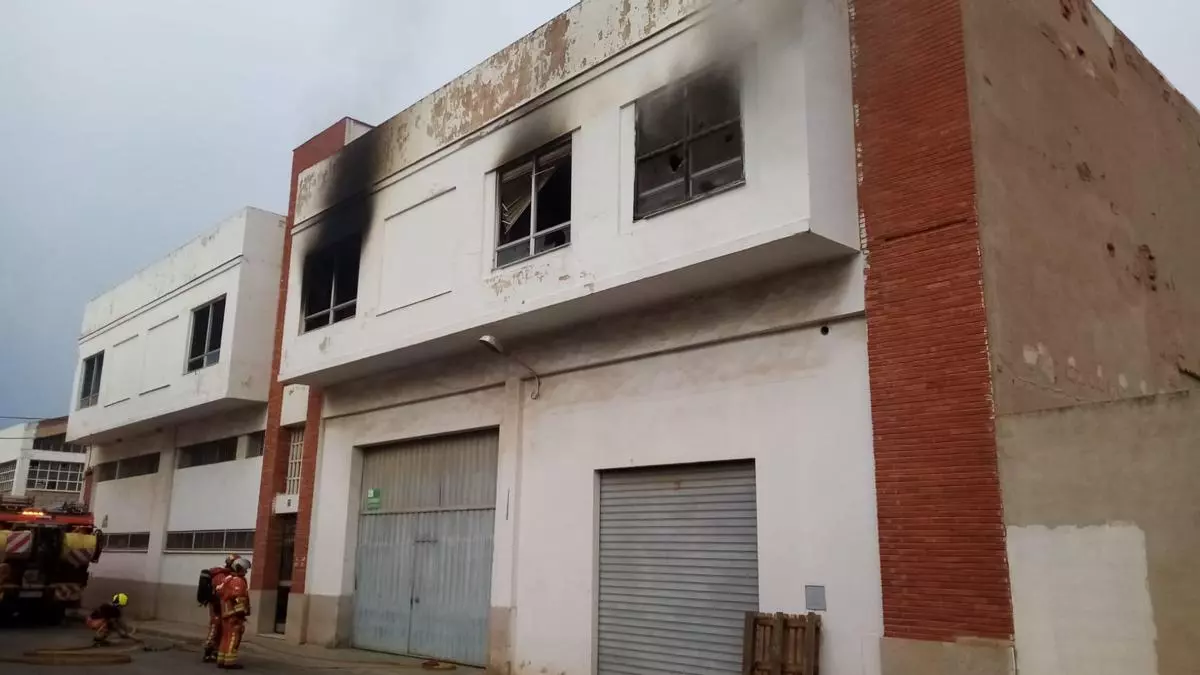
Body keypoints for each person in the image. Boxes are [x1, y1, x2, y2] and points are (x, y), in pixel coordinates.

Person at [202, 554, 240, 663]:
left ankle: (215, 651)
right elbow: (221, 591)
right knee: (216, 625)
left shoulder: (225, 574)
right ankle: (208, 650)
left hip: (220, 604)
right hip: (218, 604)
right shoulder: (221, 575)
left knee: (221, 627)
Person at [215, 557, 251, 670]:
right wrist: (241, 613)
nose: (246, 571)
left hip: (226, 613)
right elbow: (239, 598)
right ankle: (229, 662)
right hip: (234, 615)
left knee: (225, 637)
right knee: (234, 637)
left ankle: (221, 659)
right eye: (245, 569)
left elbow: (221, 594)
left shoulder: (227, 579)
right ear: (239, 568)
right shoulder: (238, 581)